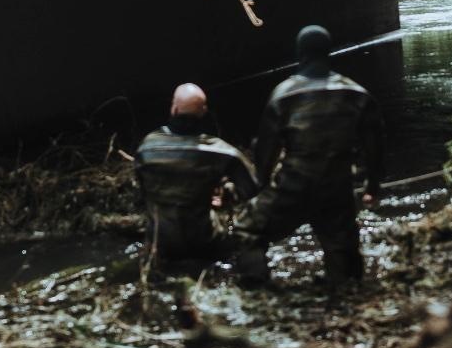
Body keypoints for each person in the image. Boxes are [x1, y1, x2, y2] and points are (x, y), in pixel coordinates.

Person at [233, 24, 385, 287]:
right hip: (337, 186)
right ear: (329, 52)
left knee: (247, 228)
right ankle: (341, 287)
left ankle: (256, 285)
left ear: (300, 54)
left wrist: (261, 184)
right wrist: (372, 184)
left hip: (294, 184)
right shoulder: (357, 94)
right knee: (341, 249)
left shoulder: (283, 95)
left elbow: (266, 149)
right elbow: (375, 145)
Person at [134, 82, 257, 268]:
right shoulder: (221, 151)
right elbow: (252, 189)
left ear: (174, 109)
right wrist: (228, 192)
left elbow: (141, 194)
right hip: (204, 242)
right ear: (203, 112)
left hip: (160, 243)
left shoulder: (146, 147)